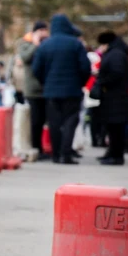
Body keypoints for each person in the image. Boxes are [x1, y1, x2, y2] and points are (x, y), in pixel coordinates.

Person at [32, 14, 91, 165]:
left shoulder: (45, 45)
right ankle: (66, 154)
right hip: (72, 90)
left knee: (54, 123)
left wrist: (46, 83)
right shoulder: (76, 44)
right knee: (71, 121)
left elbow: (36, 69)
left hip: (51, 92)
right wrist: (80, 83)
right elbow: (85, 67)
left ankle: (56, 155)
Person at [91, 32, 128, 165]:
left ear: (106, 43)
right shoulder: (117, 53)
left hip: (115, 98)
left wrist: (102, 80)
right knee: (113, 128)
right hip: (114, 98)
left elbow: (116, 73)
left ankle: (116, 155)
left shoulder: (115, 55)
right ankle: (112, 153)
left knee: (116, 129)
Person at [18, 21, 50, 160]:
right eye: (41, 30)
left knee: (45, 120)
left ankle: (45, 146)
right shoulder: (26, 43)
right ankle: (36, 148)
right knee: (36, 121)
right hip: (33, 89)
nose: (44, 33)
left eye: (45, 30)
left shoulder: (48, 43)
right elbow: (25, 57)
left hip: (47, 88)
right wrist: (35, 44)